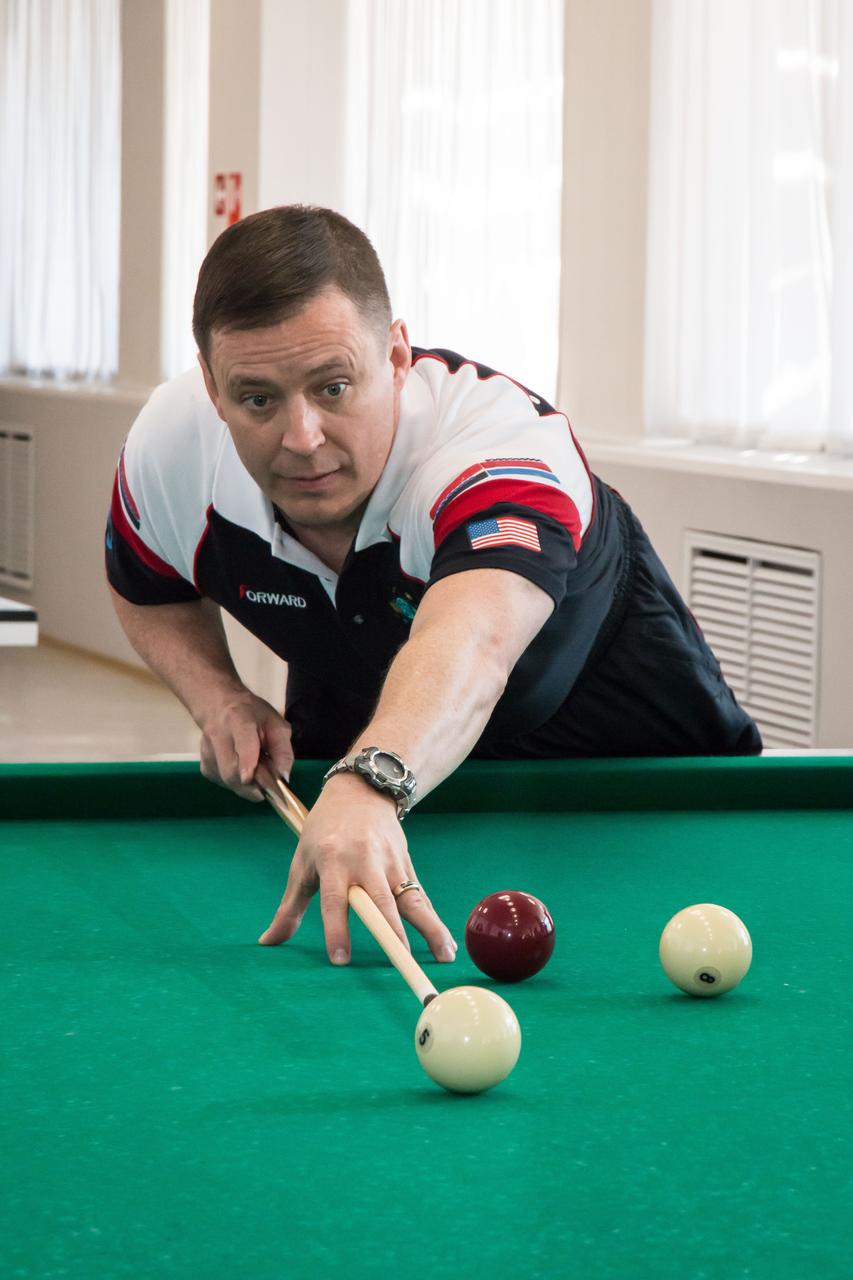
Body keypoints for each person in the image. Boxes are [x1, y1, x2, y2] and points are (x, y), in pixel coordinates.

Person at [105, 205, 760, 967]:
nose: (302, 438)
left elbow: (472, 640)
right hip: (373, 720)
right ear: (213, 388)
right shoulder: (171, 448)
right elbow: (146, 583)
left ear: (394, 355)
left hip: (620, 733)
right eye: (256, 400)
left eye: (334, 386)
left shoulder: (496, 451)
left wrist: (368, 785)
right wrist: (217, 695)